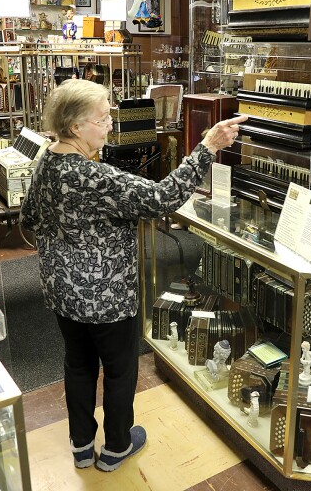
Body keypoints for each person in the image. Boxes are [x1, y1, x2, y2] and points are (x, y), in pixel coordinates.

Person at [20, 79, 244, 472]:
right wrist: (207, 147)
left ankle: (82, 444)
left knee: (78, 364)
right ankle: (118, 446)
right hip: (107, 296)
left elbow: (28, 218)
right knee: (121, 368)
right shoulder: (95, 177)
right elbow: (163, 198)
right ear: (75, 127)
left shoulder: (46, 160)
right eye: (102, 118)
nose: (110, 125)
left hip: (61, 291)